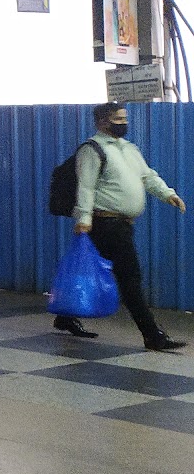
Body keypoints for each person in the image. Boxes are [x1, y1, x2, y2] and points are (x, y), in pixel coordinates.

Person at [56, 103, 187, 350]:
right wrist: (84, 219)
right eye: (118, 119)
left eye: (124, 118)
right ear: (102, 122)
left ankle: (64, 317)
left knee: (88, 270)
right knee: (130, 278)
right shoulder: (92, 149)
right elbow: (86, 186)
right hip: (105, 223)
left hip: (121, 225)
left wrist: (167, 194)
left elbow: (147, 176)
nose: (123, 123)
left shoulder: (128, 148)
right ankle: (152, 334)